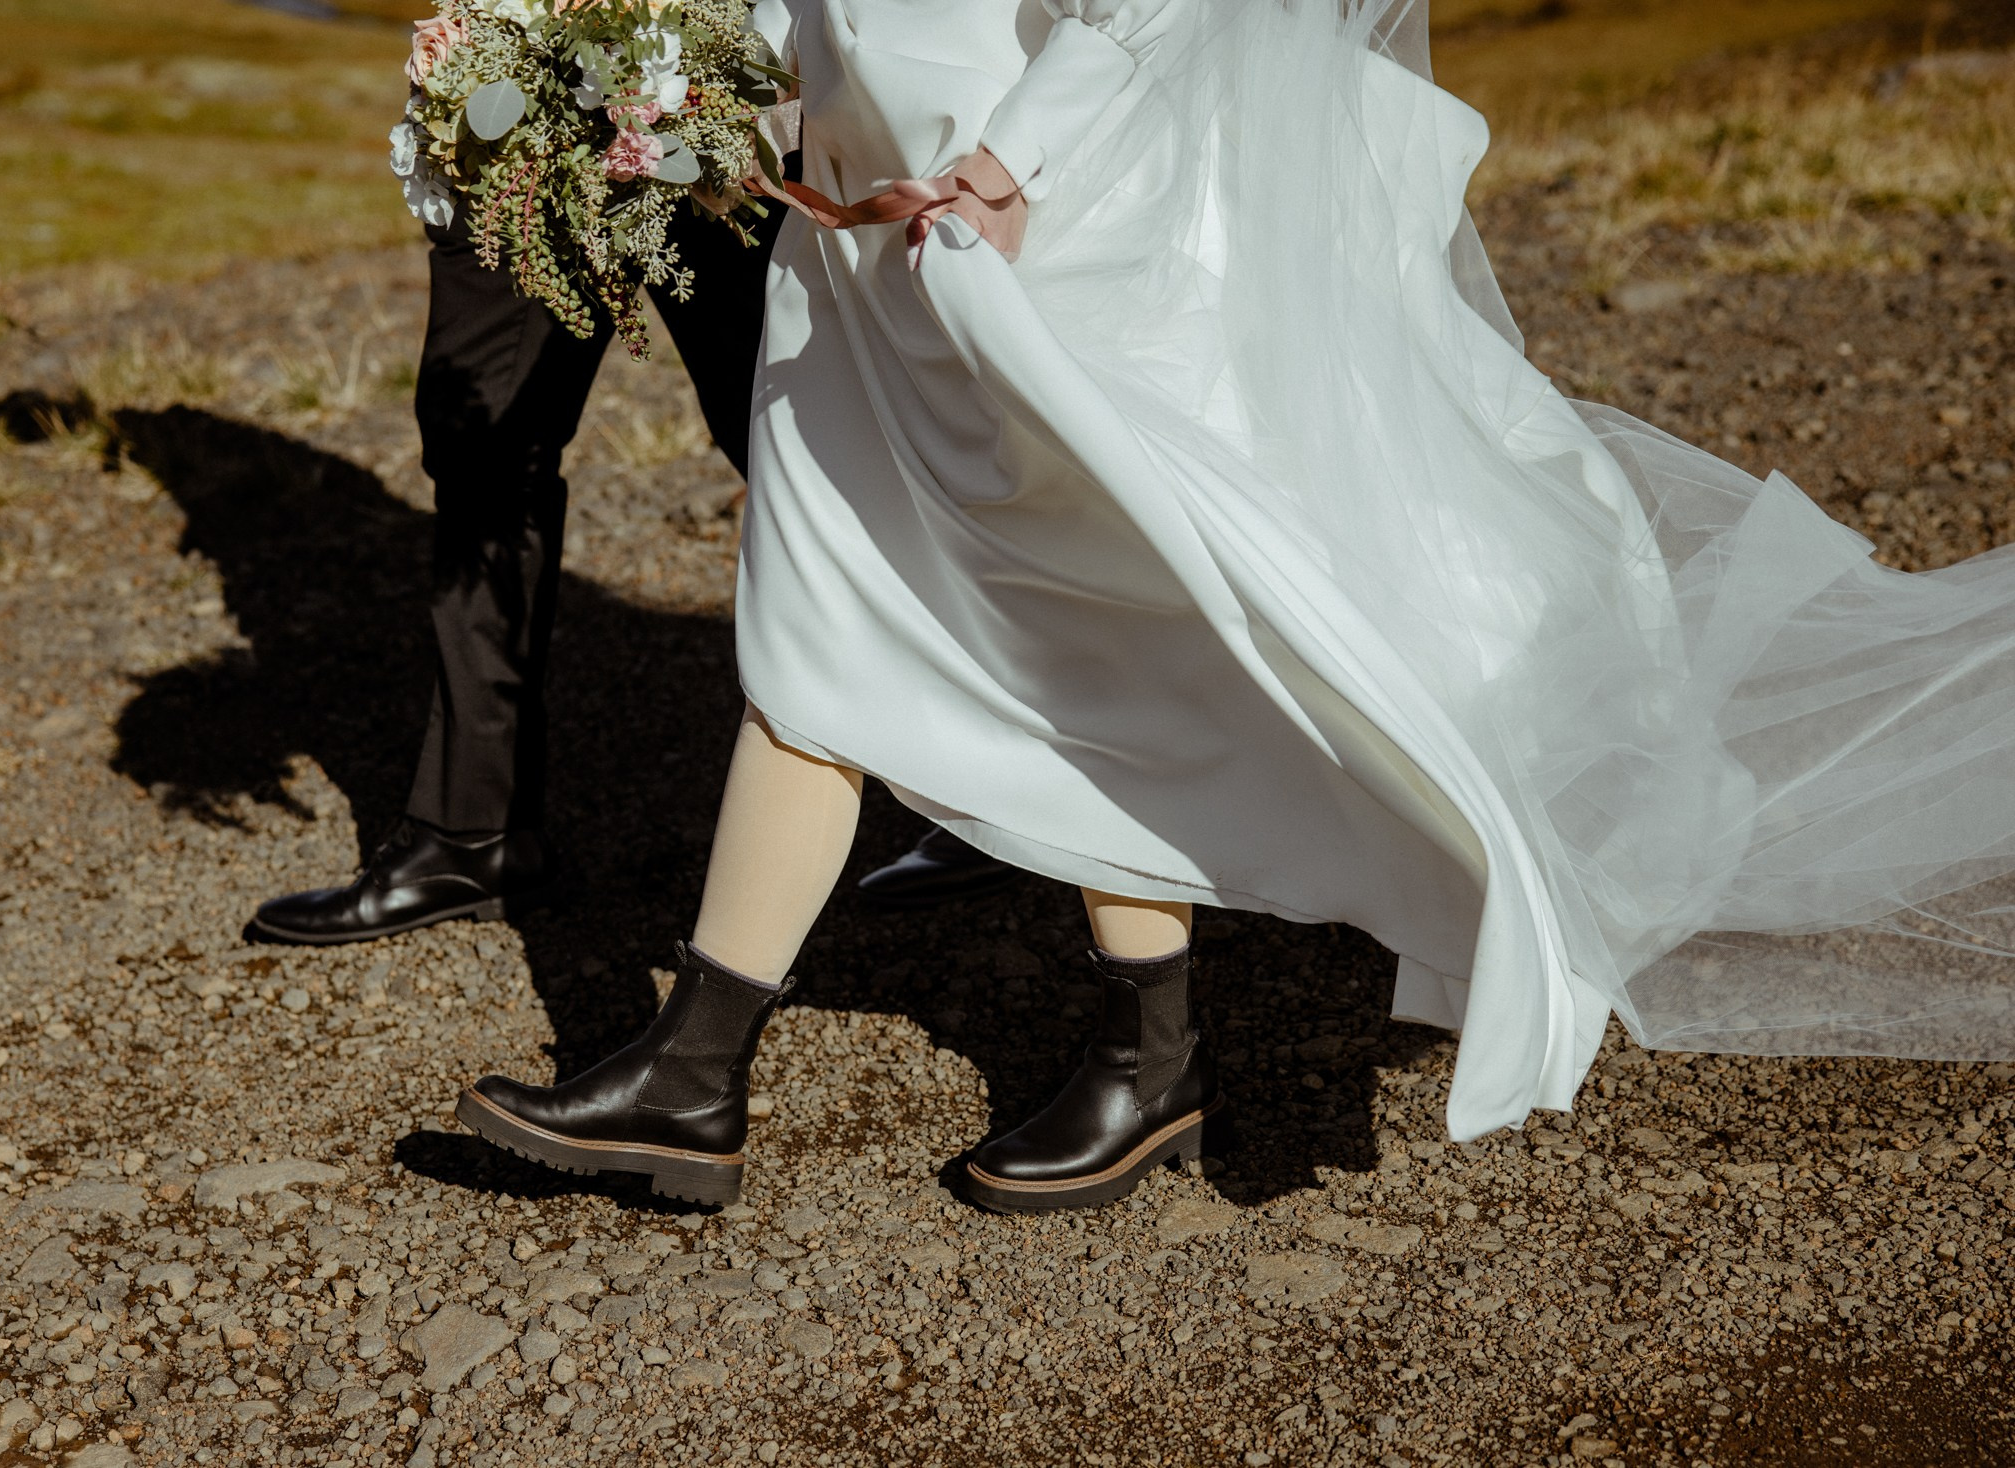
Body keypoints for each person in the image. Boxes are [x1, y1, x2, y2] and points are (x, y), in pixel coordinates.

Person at [456, 0, 2015, 1211]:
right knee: (817, 625)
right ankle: (699, 1071)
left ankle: (1145, 1055)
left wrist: (1017, 163)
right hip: (857, 254)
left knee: (1099, 640)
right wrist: (667, 83)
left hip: (1011, 238)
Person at [250, 176, 1020, 945]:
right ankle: (470, 827)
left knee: (796, 420)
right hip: (522, 145)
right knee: (482, 438)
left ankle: (1003, 780)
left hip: (715, 133)